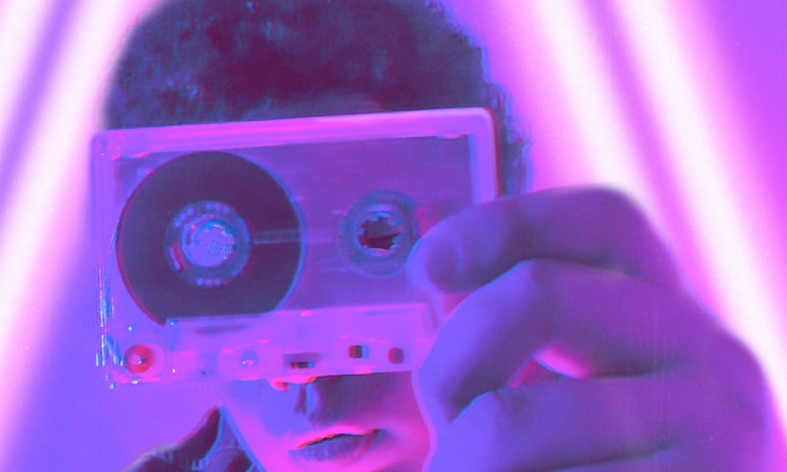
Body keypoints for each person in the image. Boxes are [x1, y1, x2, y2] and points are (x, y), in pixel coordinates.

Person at [104, 0, 782, 470]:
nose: (303, 370)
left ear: (486, 233)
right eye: (236, 267)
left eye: (374, 241)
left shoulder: (628, 430)